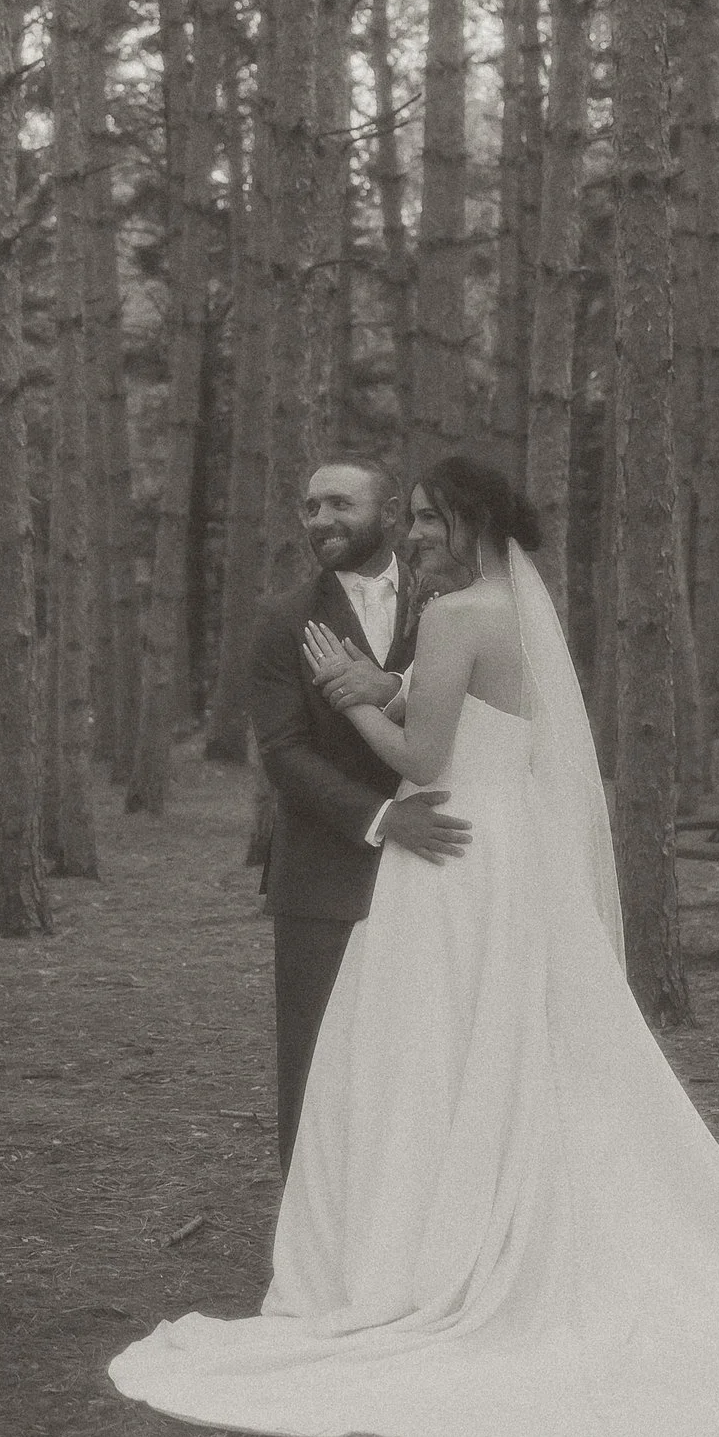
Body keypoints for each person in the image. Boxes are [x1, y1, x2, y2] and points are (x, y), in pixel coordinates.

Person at [114, 453, 719, 1437]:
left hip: (451, 855)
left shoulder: (453, 616)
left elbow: (424, 757)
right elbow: (457, 712)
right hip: (506, 853)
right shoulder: (504, 617)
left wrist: (349, 695)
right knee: (498, 1048)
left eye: (429, 519)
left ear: (462, 525)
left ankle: (425, 1248)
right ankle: (460, 1226)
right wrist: (383, 685)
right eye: (415, 519)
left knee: (429, 1048)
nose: (420, 533)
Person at [247, 456, 471, 1178]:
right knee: (317, 1064)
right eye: (311, 508)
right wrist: (381, 818)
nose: (320, 521)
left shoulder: (450, 602)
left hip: (442, 868)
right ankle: (313, 1243)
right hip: (325, 874)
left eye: (339, 505)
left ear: (389, 515)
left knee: (426, 1061)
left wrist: (393, 685)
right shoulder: (284, 619)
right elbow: (283, 752)